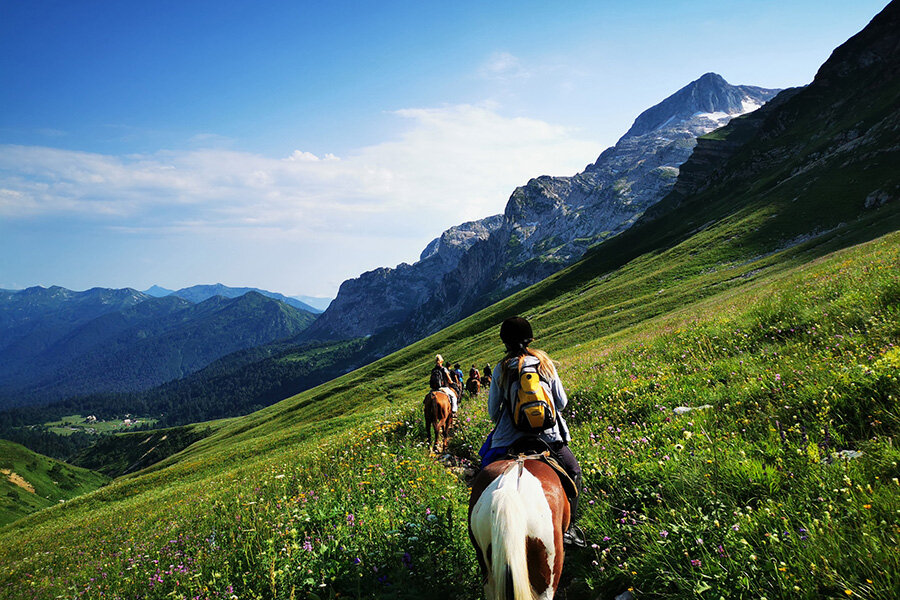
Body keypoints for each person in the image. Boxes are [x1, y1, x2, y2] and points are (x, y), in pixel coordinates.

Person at [480, 316, 585, 547]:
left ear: (504, 342)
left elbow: (492, 413)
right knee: (573, 470)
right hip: (548, 437)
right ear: (531, 338)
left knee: (484, 474)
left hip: (509, 438)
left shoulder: (500, 369)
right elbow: (562, 403)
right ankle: (570, 529)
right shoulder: (543, 362)